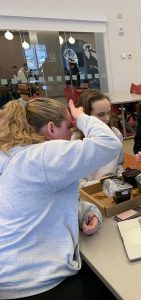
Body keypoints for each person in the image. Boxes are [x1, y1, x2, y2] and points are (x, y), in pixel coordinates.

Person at [0, 97, 121, 298]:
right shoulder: (45, 155)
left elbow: (44, 206)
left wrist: (86, 211)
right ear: (51, 129)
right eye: (69, 127)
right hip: (35, 282)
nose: (72, 134)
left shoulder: (14, 156)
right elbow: (110, 144)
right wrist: (81, 117)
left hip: (10, 276)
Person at [72, 89, 124, 187]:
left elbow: (119, 164)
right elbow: (77, 181)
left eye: (108, 113)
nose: (107, 119)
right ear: (85, 116)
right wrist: (99, 183)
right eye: (100, 115)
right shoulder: (76, 140)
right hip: (89, 191)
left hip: (113, 187)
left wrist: (120, 177)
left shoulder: (115, 133)